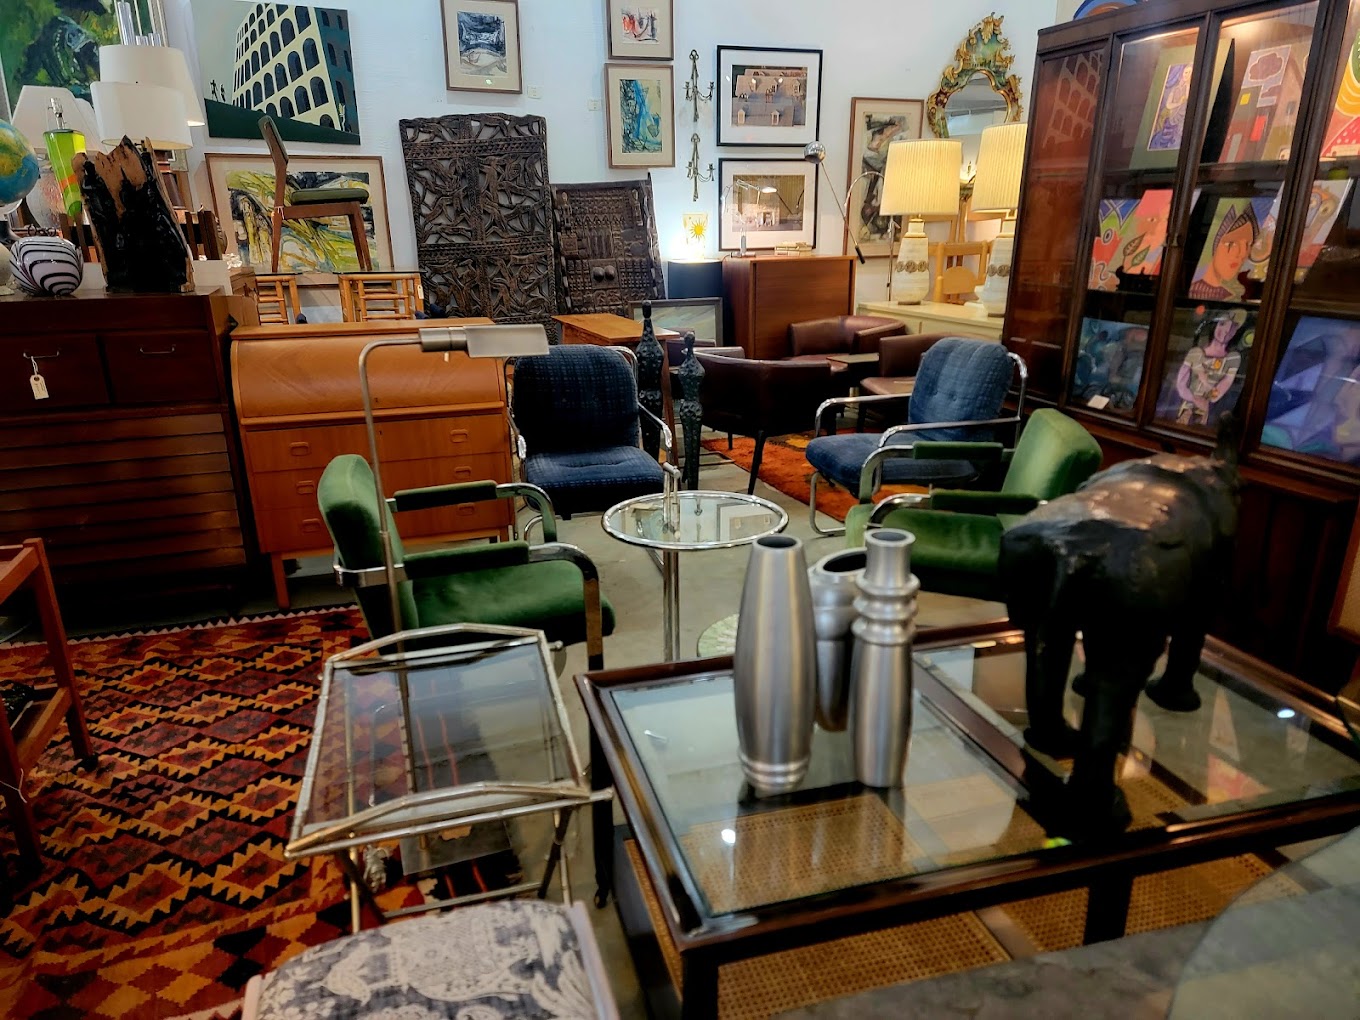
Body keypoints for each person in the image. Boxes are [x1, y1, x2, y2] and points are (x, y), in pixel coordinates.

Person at [1174, 315, 1244, 426]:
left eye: (1232, 328)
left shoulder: (1233, 358)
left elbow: (1224, 385)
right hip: (1187, 405)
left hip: (1208, 410)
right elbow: (1180, 384)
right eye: (1222, 324)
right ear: (1215, 325)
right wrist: (1193, 398)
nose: (1226, 331)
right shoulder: (1195, 352)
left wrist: (1207, 390)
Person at [1189, 205, 1259, 300]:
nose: (1242, 254)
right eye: (1231, 244)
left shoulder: (1236, 293)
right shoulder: (1191, 291)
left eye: (1248, 244)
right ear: (1214, 242)